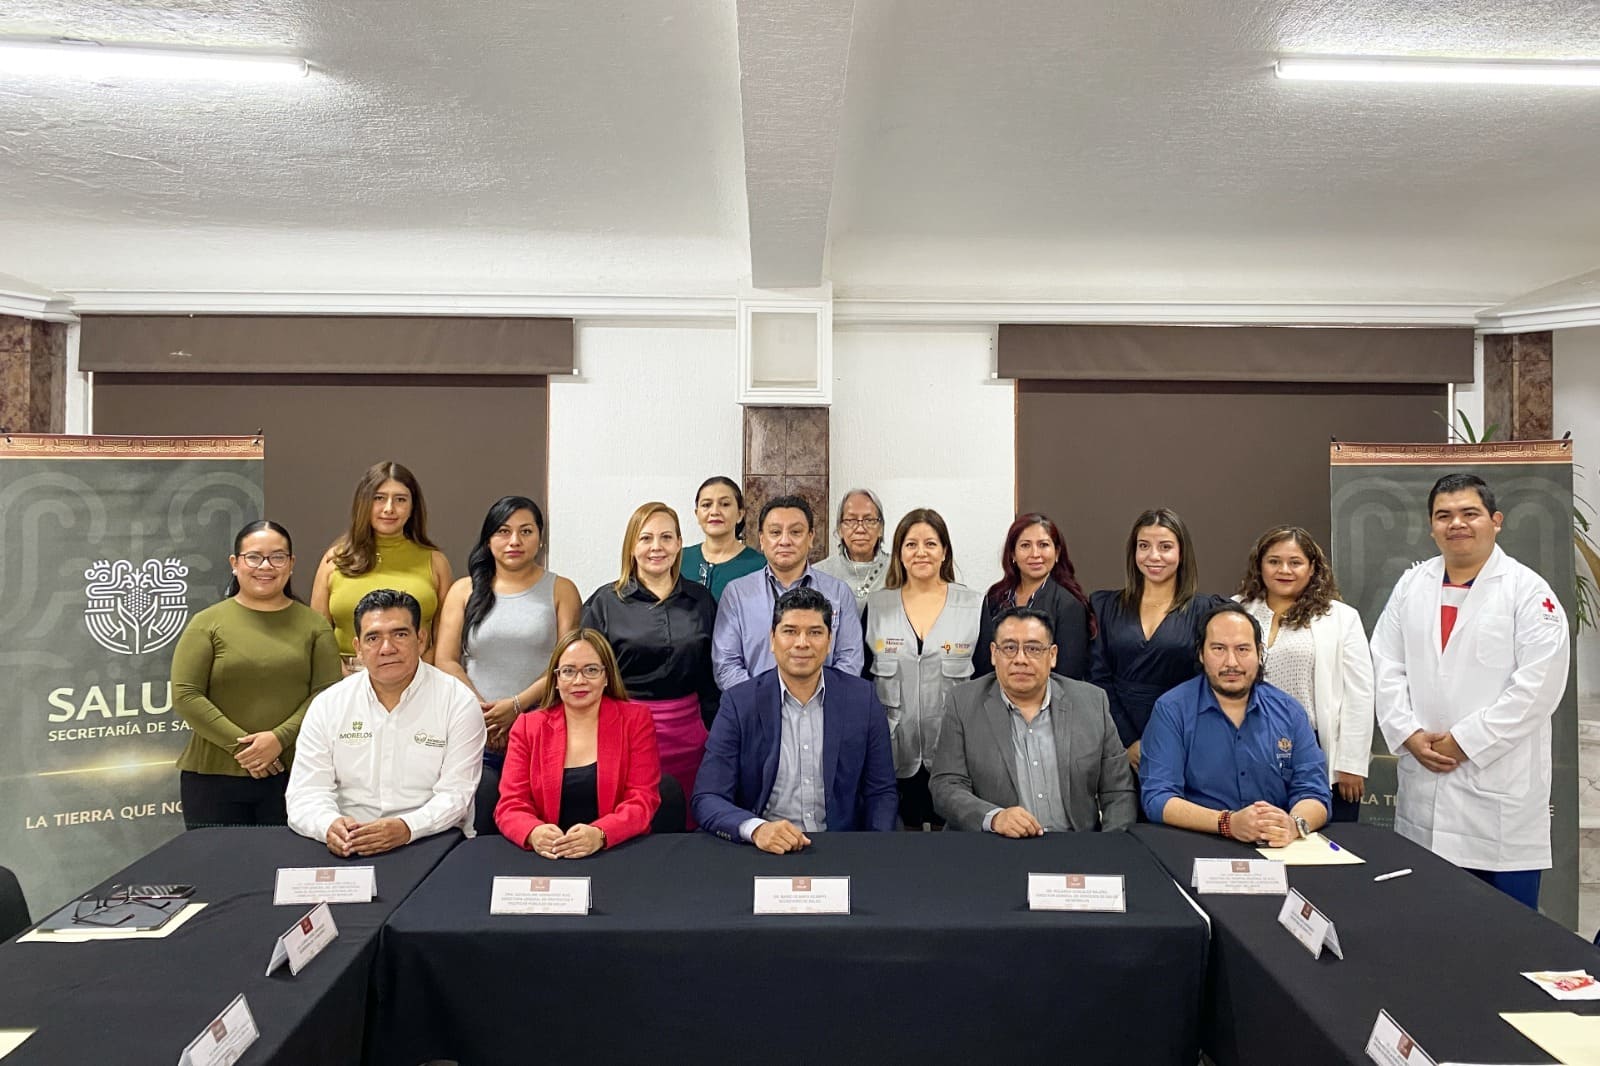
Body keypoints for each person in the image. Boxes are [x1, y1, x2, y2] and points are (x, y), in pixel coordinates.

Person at [1371, 473, 1570, 908]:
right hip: (1425, 785)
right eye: (1444, 515)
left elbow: (1538, 688)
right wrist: (1407, 732)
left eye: (1469, 513)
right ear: (1431, 527)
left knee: (1506, 935)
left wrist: (1465, 741)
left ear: (1496, 521)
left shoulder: (1529, 592)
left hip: (1499, 794)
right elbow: (1384, 664)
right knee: (1427, 924)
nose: (1456, 523)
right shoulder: (1412, 586)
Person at [693, 587, 897, 850]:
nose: (802, 643)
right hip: (762, 848)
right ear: (772, 639)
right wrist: (756, 830)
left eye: (815, 632)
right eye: (790, 631)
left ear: (829, 641)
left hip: (841, 848)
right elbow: (707, 797)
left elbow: (881, 793)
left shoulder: (862, 699)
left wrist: (874, 853)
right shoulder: (739, 703)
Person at [287, 589, 486, 855]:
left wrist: (405, 828)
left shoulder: (457, 701)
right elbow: (305, 793)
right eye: (373, 638)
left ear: (422, 638)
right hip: (349, 841)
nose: (387, 648)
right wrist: (328, 825)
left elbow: (456, 796)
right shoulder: (329, 704)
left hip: (433, 840)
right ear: (358, 648)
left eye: (400, 634)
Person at [170, 520, 342, 828]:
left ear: (291, 564)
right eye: (254, 557)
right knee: (217, 873)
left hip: (292, 774)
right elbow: (186, 695)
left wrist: (278, 739)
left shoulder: (314, 626)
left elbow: (327, 695)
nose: (266, 566)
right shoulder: (206, 622)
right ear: (235, 563)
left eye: (277, 557)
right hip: (212, 778)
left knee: (283, 871)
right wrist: (244, 748)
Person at [931, 607, 1136, 834]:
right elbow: (946, 786)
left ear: (1053, 655)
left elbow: (1118, 791)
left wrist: (1110, 850)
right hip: (997, 845)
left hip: (1075, 845)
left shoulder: (1091, 702)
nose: (1021, 659)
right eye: (1009, 648)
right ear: (993, 653)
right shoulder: (963, 703)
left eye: (1033, 649)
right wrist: (994, 818)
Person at [1139, 603, 1332, 843]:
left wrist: (1294, 825)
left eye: (1243, 649)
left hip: (1276, 846)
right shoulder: (1172, 710)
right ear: (1201, 653)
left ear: (1260, 653)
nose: (1232, 662)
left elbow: (1314, 792)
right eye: (1218, 649)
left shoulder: (1290, 711)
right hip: (1199, 844)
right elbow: (1157, 798)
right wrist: (1228, 823)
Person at [582, 502, 718, 826]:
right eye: (646, 539)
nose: (656, 547)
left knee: (687, 825)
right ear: (631, 546)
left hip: (690, 734)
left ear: (679, 544)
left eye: (666, 538)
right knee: (629, 823)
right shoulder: (604, 602)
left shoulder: (701, 600)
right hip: (624, 731)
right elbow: (585, 676)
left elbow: (711, 676)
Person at [1233, 525, 1374, 822]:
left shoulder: (1340, 618)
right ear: (1260, 565)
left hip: (1313, 747)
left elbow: (1359, 694)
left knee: (1317, 845)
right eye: (1274, 561)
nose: (1284, 570)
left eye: (1295, 562)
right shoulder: (1235, 610)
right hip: (1245, 742)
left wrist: (1351, 763)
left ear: (1312, 568)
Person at [862, 508, 983, 829]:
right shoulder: (877, 606)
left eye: (930, 543)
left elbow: (987, 683)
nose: (921, 552)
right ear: (899, 553)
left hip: (956, 753)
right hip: (892, 754)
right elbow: (861, 680)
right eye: (911, 544)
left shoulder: (974, 607)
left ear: (944, 551)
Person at [495, 629, 662, 857]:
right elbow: (511, 804)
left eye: (591, 670)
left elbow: (643, 799)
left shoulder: (635, 721)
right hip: (549, 855)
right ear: (555, 680)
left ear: (606, 677)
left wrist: (601, 834)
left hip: (615, 850)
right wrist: (533, 832)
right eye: (568, 671)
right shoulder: (528, 727)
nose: (579, 680)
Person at [1090, 508, 1223, 772]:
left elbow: (1209, 683)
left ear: (1181, 553)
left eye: (1165, 547)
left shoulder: (1207, 610)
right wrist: (1127, 741)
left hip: (1185, 737)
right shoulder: (1104, 605)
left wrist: (1168, 739)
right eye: (1144, 546)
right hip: (1116, 740)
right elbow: (1097, 678)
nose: (1153, 556)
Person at [711, 494, 864, 689]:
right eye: (775, 532)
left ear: (810, 538)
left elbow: (850, 660)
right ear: (762, 539)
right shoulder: (737, 594)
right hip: (754, 712)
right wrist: (760, 701)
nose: (785, 541)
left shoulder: (838, 593)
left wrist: (814, 700)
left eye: (796, 532)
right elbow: (726, 664)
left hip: (822, 710)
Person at [312, 461, 452, 667]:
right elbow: (318, 636)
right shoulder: (334, 560)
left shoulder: (435, 562)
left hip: (416, 676)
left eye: (400, 499)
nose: (389, 508)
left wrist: (414, 674)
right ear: (364, 503)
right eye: (379, 498)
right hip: (343, 678)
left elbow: (445, 642)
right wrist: (344, 678)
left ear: (413, 507)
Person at [973, 513, 1095, 681]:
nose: (1035, 554)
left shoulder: (1069, 605)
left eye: (1043, 545)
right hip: (996, 698)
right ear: (1013, 555)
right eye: (1025, 545)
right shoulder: (996, 598)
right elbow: (983, 664)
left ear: (1057, 553)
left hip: (1046, 702)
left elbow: (1068, 676)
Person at [679, 476, 766, 601]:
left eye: (725, 504)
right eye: (706, 505)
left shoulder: (759, 566)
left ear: (740, 514)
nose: (714, 511)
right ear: (697, 514)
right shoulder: (679, 559)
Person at [814, 488, 893, 612]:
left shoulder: (898, 570)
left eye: (869, 520)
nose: (860, 529)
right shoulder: (819, 575)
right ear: (840, 529)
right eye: (851, 520)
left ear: (881, 529)